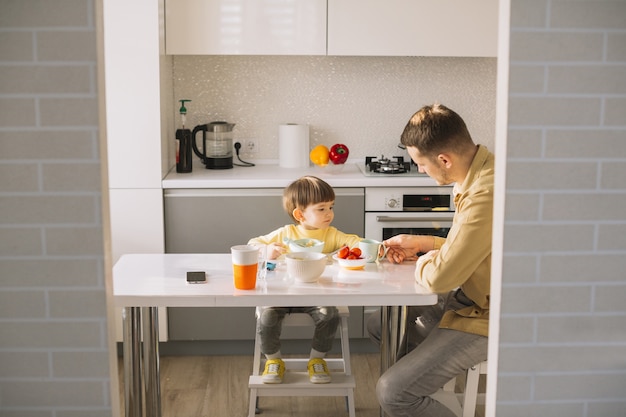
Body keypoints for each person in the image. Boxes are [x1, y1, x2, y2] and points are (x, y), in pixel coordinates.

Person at [367, 103, 493, 416]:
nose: (420, 171)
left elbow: (440, 278)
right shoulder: (476, 172)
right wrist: (424, 243)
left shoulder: (484, 193)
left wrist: (427, 259)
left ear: (444, 159)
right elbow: (478, 247)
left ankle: (411, 393)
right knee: (381, 325)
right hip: (471, 295)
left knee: (392, 392)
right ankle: (424, 383)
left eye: (421, 164)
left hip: (492, 314)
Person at [248, 175, 362, 384]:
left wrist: (358, 249)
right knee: (267, 318)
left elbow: (355, 241)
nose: (329, 213)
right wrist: (267, 249)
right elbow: (253, 243)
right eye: (321, 208)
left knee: (330, 315)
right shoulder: (286, 233)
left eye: (331, 206)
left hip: (318, 295)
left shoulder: (331, 234)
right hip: (282, 296)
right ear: (300, 214)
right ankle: (273, 361)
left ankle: (317, 360)